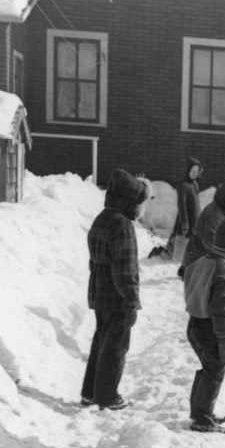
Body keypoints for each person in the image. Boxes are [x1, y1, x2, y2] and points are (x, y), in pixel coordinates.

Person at [81, 168, 151, 411]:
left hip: (99, 292)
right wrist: (132, 302)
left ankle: (90, 392)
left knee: (101, 341)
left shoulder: (102, 218)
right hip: (117, 297)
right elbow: (126, 270)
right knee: (116, 346)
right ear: (131, 201)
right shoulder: (123, 226)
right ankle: (107, 396)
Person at [183, 212, 225, 433]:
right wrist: (224, 341)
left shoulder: (201, 261)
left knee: (208, 367)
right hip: (209, 328)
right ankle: (202, 417)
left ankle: (201, 412)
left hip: (194, 324)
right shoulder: (224, 271)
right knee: (215, 370)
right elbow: (221, 312)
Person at [178, 178, 225, 279]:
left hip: (214, 246)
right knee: (194, 270)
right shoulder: (214, 212)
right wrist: (223, 248)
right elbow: (208, 239)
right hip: (200, 245)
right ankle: (185, 270)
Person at [162, 157, 202, 258]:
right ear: (188, 170)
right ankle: (165, 253)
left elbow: (197, 204)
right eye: (192, 171)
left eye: (196, 171)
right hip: (185, 221)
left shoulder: (195, 184)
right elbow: (182, 205)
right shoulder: (183, 184)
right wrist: (185, 223)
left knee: (188, 247)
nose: (194, 173)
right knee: (179, 248)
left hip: (194, 221)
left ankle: (168, 251)